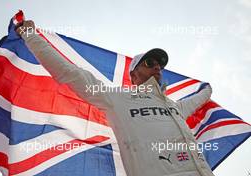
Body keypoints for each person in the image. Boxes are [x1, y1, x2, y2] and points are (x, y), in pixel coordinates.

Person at [16, 21, 215, 176]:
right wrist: (31, 35)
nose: (157, 67)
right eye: (150, 62)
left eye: (160, 66)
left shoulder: (176, 107)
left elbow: (202, 97)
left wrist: (207, 87)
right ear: (134, 74)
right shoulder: (118, 99)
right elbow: (70, 73)